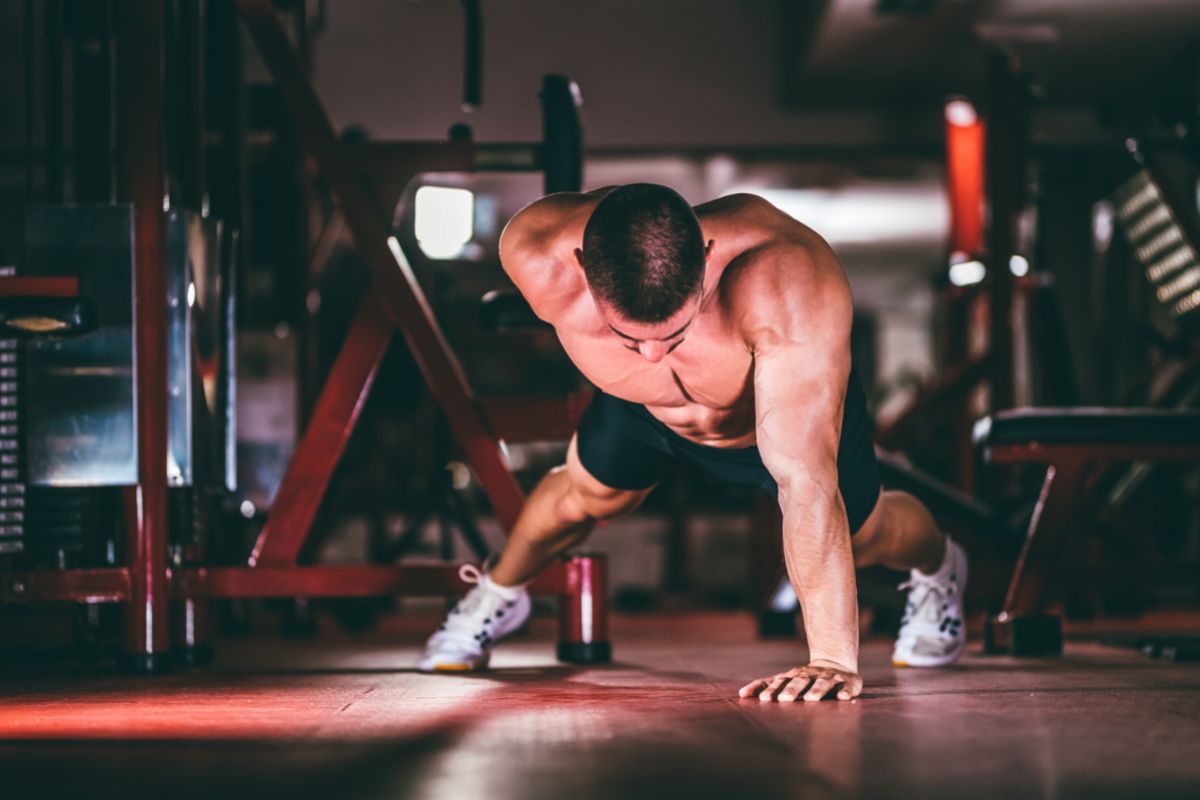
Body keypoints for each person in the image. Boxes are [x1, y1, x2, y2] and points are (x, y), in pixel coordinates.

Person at [419, 184, 967, 701]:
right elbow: (628, 221)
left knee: (862, 538)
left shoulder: (786, 279)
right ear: (584, 268)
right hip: (644, 411)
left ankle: (941, 566)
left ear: (706, 258)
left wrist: (831, 658)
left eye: (675, 334)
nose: (653, 356)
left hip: (768, 419)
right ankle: (495, 597)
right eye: (628, 339)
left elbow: (805, 482)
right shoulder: (537, 252)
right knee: (581, 495)